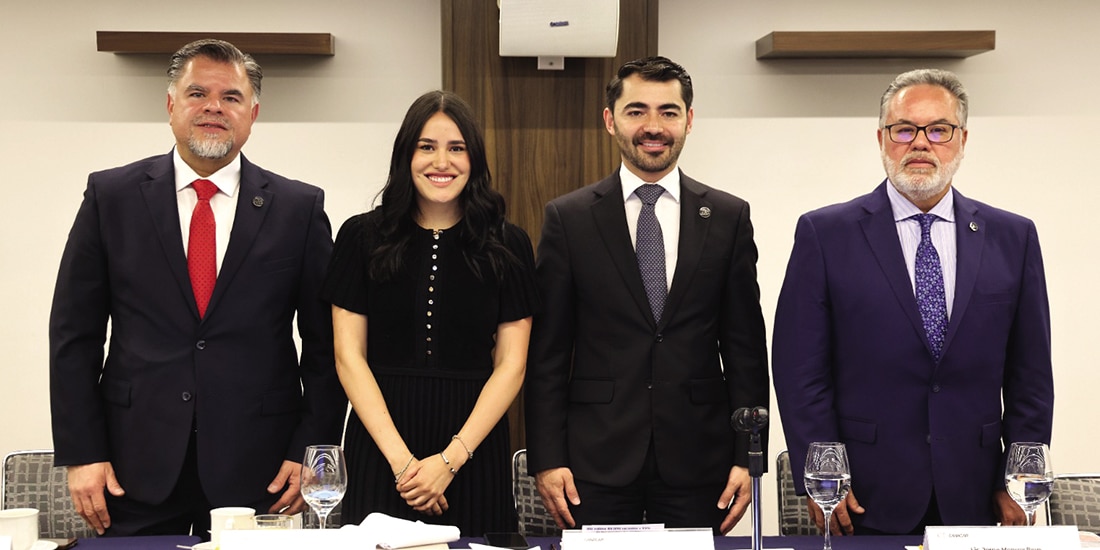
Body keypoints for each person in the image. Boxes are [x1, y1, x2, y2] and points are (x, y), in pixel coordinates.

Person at [48, 39, 345, 538]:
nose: (213, 107)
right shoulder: (111, 197)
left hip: (263, 468)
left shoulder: (299, 208)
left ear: (253, 113)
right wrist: (83, 453)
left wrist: (311, 449)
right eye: (196, 93)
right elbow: (73, 335)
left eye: (230, 96)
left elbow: (326, 345)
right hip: (131, 467)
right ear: (170, 106)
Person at [772, 68, 1054, 536]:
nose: (920, 143)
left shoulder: (1013, 237)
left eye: (939, 130)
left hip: (977, 490)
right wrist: (821, 475)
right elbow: (800, 370)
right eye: (904, 129)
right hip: (862, 493)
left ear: (961, 140)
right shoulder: (825, 234)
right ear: (882, 139)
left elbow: (1031, 374)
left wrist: (1019, 474)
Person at [525, 56, 770, 534]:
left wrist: (749, 455)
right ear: (610, 120)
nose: (653, 126)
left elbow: (745, 350)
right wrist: (546, 458)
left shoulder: (727, 216)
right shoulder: (569, 219)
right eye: (637, 111)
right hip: (593, 462)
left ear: (689, 120)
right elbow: (548, 354)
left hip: (700, 461)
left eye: (669, 112)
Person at [321, 90, 539, 535]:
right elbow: (348, 358)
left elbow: (512, 365)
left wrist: (449, 461)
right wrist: (404, 465)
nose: (442, 162)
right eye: (427, 147)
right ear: (406, 155)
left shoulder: (507, 243)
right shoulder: (361, 237)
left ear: (474, 158)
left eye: (456, 148)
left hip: (473, 447)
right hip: (381, 444)